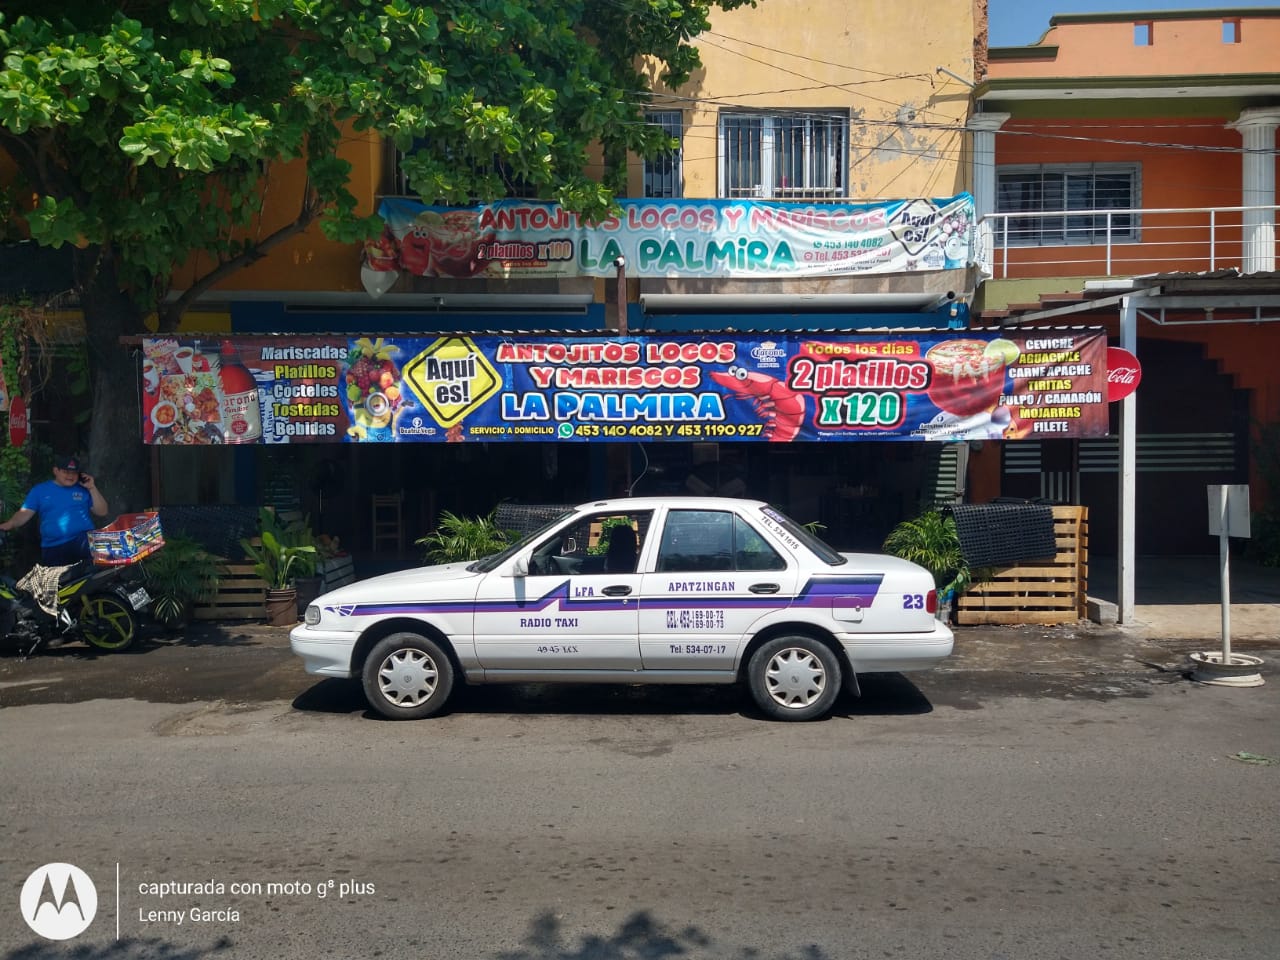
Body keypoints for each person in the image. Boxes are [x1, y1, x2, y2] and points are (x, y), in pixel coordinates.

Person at [0, 454, 109, 566]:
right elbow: (25, 513)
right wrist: (11, 523)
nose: (70, 476)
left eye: (74, 473)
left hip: (82, 540)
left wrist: (92, 488)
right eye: (66, 472)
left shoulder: (84, 489)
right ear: (56, 471)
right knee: (59, 582)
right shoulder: (40, 490)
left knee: (102, 553)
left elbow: (102, 511)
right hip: (53, 546)